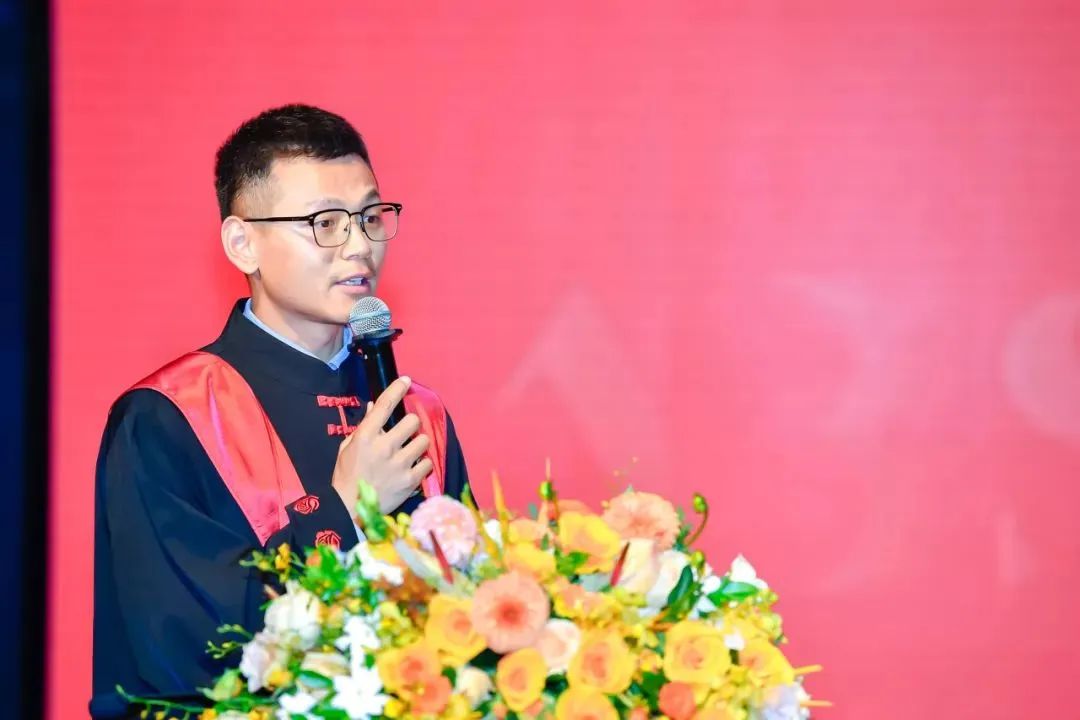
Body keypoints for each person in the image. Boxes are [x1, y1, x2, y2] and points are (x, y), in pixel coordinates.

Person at [90, 104, 469, 718]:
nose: (359, 245)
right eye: (325, 222)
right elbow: (181, 644)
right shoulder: (171, 416)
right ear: (243, 244)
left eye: (370, 217)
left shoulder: (419, 414)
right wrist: (346, 510)